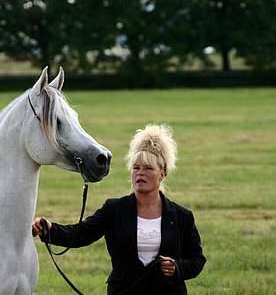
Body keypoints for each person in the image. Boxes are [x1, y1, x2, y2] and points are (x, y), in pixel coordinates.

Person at [32, 124, 206, 295]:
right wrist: (49, 229)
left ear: (163, 173)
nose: (140, 173)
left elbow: (197, 259)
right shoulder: (114, 210)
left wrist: (178, 268)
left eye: (148, 168)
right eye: (136, 168)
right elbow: (80, 234)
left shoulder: (182, 216)